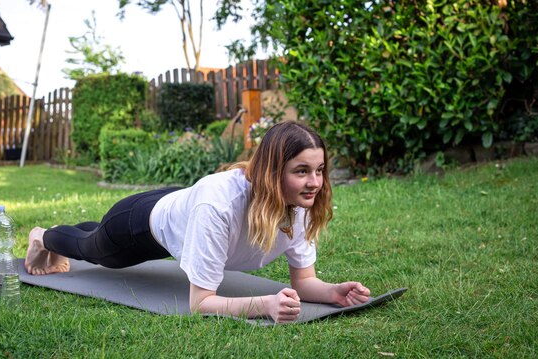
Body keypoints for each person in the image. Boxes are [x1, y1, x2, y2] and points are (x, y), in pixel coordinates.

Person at [25, 121, 370, 323]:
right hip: (138, 225)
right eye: (302, 171)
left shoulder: (300, 201)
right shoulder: (219, 206)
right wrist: (263, 305)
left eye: (319, 170)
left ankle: (74, 231)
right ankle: (42, 237)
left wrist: (332, 293)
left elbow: (305, 281)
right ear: (272, 172)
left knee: (94, 235)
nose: (315, 183)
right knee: (92, 250)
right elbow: (201, 302)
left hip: (183, 204)